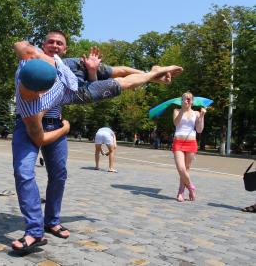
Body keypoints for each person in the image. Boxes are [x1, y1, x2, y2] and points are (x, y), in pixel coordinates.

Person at [11, 53, 182, 252]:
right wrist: (65, 129)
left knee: (122, 83)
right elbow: (39, 139)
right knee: (23, 172)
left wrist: (55, 60)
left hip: (74, 88)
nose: (30, 94)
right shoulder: (32, 107)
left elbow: (22, 46)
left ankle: (155, 72)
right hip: (70, 96)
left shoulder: (44, 64)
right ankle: (34, 231)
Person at [172, 92, 206, 202]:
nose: (187, 100)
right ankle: (191, 187)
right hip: (178, 141)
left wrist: (201, 116)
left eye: (189, 98)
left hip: (191, 142)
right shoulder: (177, 111)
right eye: (185, 98)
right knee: (181, 168)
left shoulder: (196, 113)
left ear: (193, 101)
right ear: (181, 100)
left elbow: (199, 130)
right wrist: (183, 109)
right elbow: (176, 123)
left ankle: (181, 192)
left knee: (186, 169)